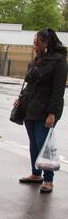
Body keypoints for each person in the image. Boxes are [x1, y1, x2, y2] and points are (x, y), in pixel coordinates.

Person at [14, 28, 67, 193]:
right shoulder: (38, 59)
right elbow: (30, 85)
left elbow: (58, 90)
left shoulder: (59, 61)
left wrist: (52, 113)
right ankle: (36, 174)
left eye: (37, 43)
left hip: (46, 110)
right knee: (33, 143)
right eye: (34, 43)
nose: (35, 46)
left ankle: (49, 179)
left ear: (47, 43)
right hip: (30, 107)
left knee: (43, 143)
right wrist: (20, 99)